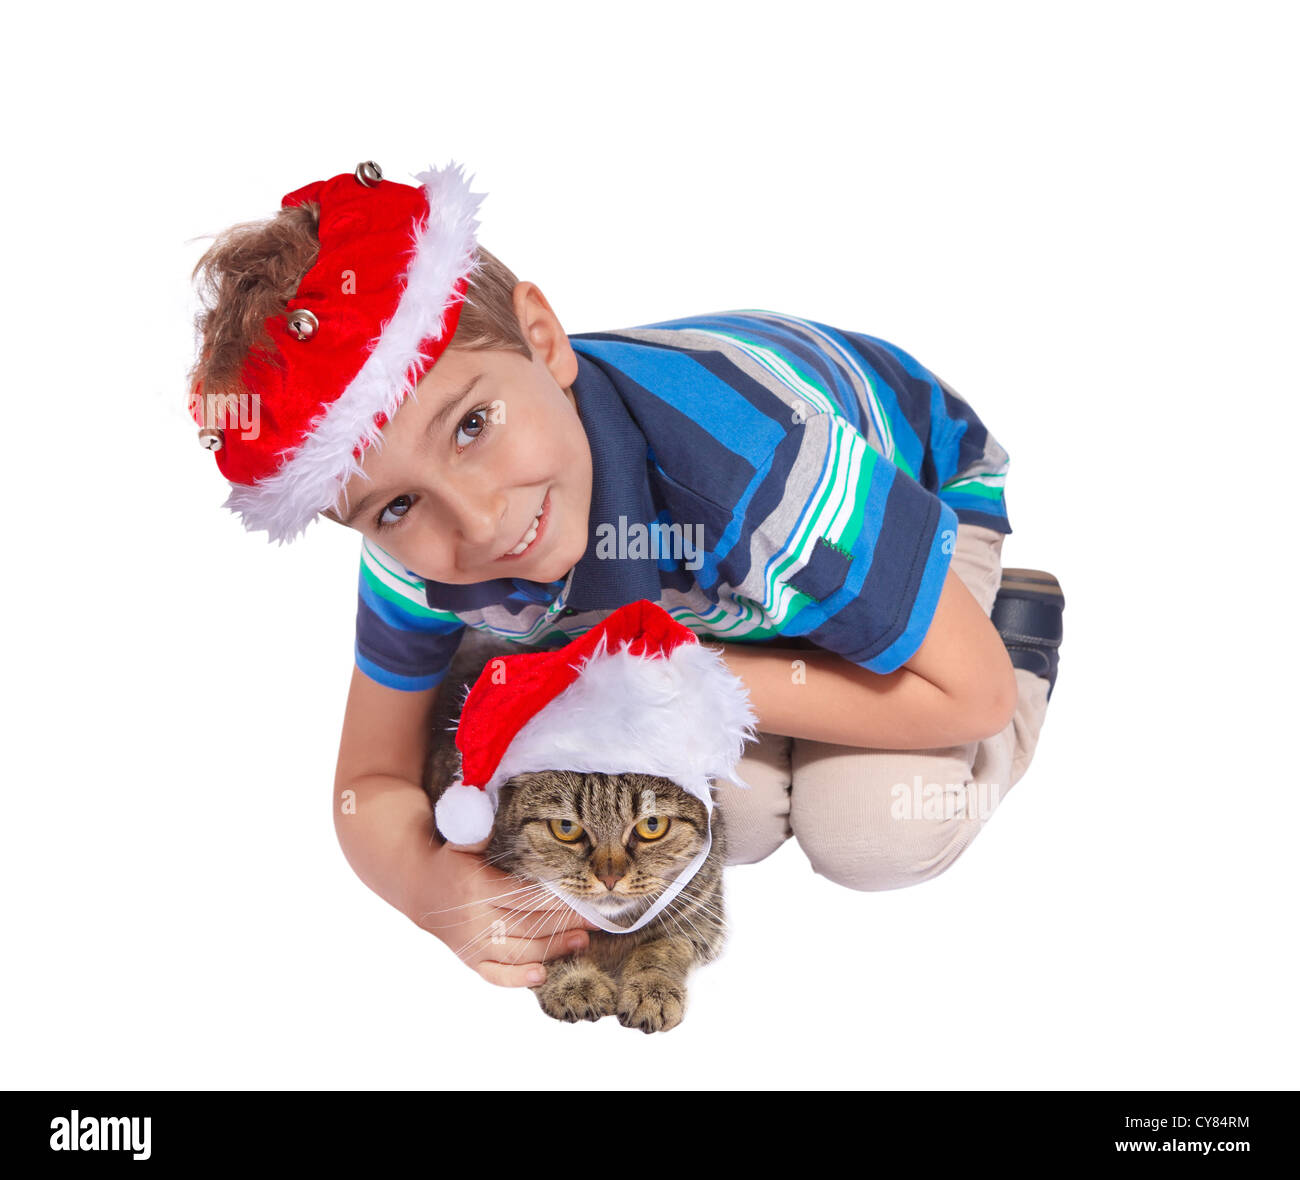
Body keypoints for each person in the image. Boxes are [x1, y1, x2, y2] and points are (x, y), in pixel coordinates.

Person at [186, 158, 1065, 991]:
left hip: (893, 496)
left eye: (471, 425)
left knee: (875, 832)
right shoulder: (418, 553)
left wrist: (670, 681)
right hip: (716, 596)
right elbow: (367, 780)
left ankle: (1016, 623)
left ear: (543, 339)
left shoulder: (757, 472)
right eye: (396, 507)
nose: (480, 523)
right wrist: (433, 892)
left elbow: (969, 697)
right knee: (738, 824)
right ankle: (791, 679)